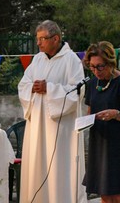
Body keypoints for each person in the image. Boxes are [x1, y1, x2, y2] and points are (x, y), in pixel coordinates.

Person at [18, 20, 87, 203]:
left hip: (60, 128)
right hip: (37, 124)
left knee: (58, 167)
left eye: (42, 39)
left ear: (55, 38)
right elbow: (23, 84)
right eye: (37, 39)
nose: (38, 43)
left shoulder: (71, 60)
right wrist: (32, 88)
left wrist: (49, 88)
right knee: (37, 165)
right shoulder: (37, 59)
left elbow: (77, 91)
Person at [82, 41, 120, 203]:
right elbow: (90, 113)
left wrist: (116, 114)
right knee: (104, 193)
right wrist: (83, 122)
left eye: (100, 66)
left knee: (117, 194)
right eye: (92, 67)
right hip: (99, 143)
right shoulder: (91, 84)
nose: (96, 71)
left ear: (111, 62)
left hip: (117, 145)